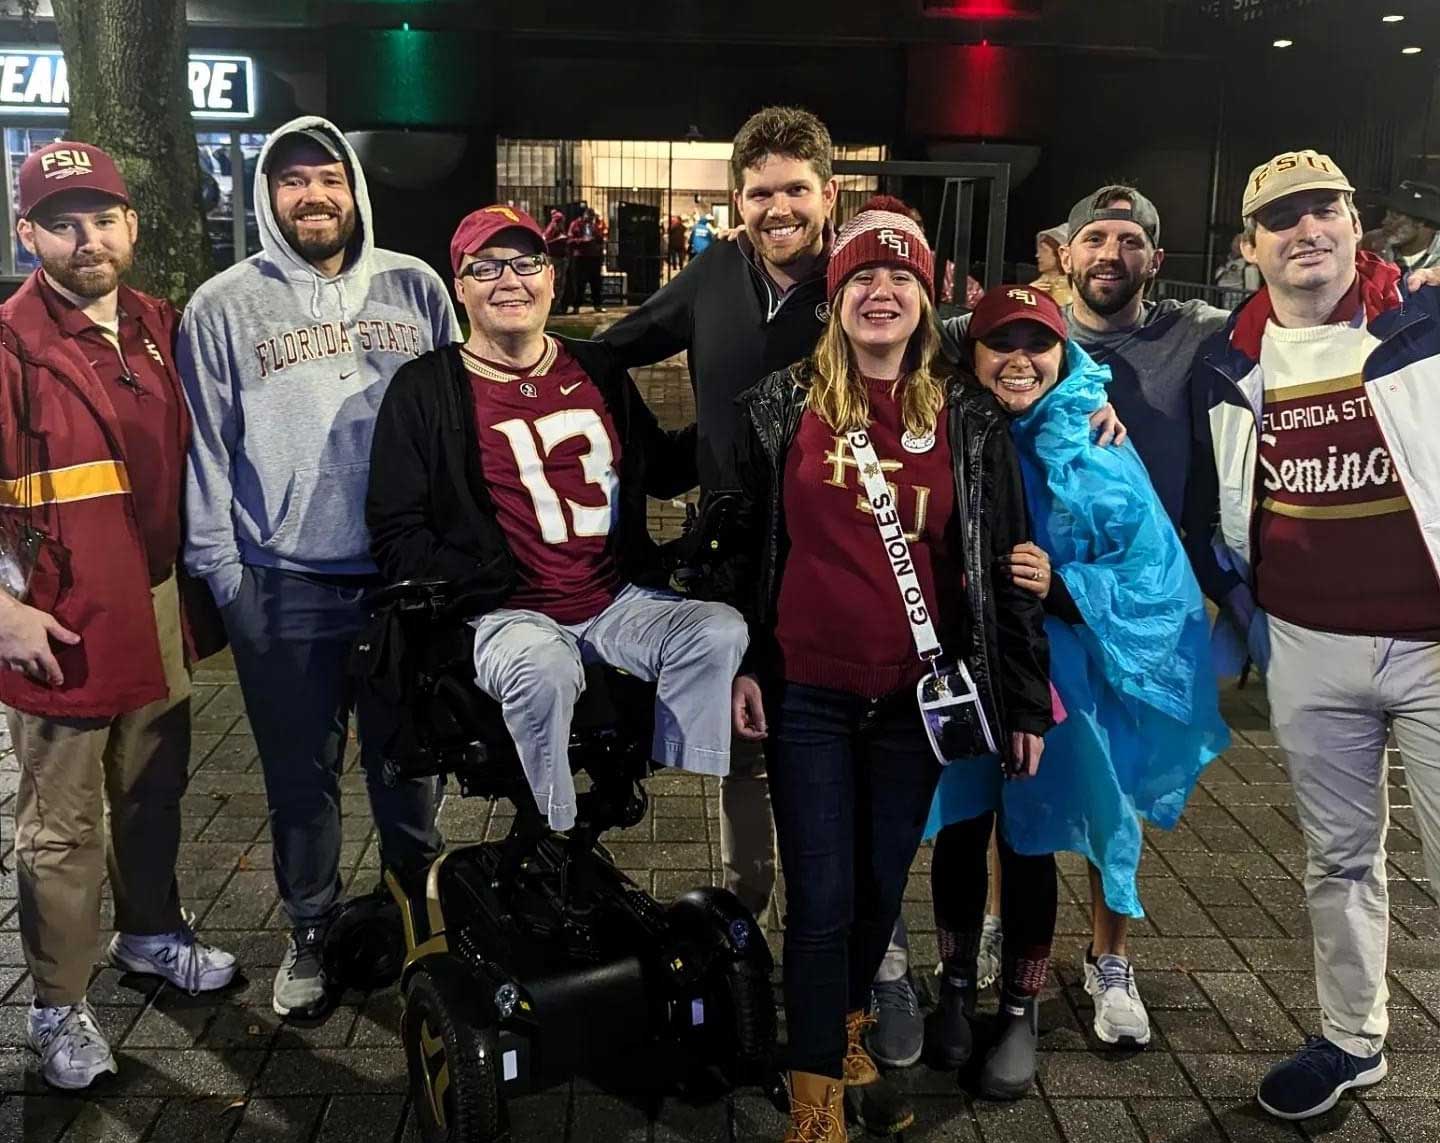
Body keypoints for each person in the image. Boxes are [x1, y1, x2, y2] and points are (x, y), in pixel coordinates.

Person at [721, 204, 1053, 1141]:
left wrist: (1024, 698)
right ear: (835, 296)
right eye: (863, 275)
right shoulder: (780, 405)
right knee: (821, 899)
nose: (882, 290)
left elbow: (1004, 567)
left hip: (916, 700)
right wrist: (741, 659)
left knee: (877, 890)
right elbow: (742, 549)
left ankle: (842, 1036)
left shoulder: (969, 419)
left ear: (926, 296)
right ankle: (815, 1102)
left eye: (901, 276)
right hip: (807, 693)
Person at [178, 116, 460, 1022]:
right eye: (292, 179)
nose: (313, 195)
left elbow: (457, 420)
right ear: (268, 194)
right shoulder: (223, 306)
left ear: (355, 188)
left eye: (329, 177)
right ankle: (311, 929)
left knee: (409, 766)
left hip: (400, 581)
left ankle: (419, 920)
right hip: (283, 581)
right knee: (301, 782)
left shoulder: (416, 288)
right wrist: (225, 575)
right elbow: (205, 449)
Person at [936, 183, 1227, 1048]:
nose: (1021, 356)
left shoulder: (1101, 434)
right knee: (994, 810)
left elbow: (1151, 569)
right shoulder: (955, 420)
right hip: (985, 658)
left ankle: (1110, 958)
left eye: (1129, 239)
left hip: (1084, 663)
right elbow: (912, 333)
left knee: (1104, 805)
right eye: (1094, 236)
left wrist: (1064, 589)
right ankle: (994, 937)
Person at [1184, 149, 1440, 1122]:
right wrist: (1241, 603)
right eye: (1281, 218)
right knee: (1338, 858)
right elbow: (1214, 501)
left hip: (1432, 645)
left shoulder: (1423, 321)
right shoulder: (1228, 360)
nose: (1306, 230)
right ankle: (1352, 1038)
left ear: (1354, 222)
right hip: (1308, 646)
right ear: (1250, 246)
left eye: (1323, 209)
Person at [367, 203, 747, 834]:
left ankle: (653, 774)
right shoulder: (425, 388)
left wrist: (736, 419)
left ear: (551, 277)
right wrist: (475, 579)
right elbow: (395, 530)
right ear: (459, 287)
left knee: (719, 632)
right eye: (486, 267)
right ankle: (555, 818)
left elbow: (659, 468)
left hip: (613, 599)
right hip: (506, 611)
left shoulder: (595, 367)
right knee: (544, 668)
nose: (509, 281)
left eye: (526, 263)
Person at [0, 141, 237, 1089]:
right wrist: (3, 612)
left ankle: (148, 933)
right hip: (54, 621)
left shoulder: (157, 324)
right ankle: (56, 1005)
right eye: (62, 224)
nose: (86, 240)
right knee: (61, 827)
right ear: (27, 233)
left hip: (155, 601)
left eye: (102, 219)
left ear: (132, 225)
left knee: (152, 786)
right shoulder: (8, 344)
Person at [1378, 179, 1440, 272]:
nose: (1384, 222)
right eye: (1387, 215)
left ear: (1420, 221)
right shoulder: (1373, 244)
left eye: (1395, 216)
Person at [566, 205, 605, 313]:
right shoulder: (575, 224)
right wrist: (582, 241)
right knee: (579, 283)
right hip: (581, 257)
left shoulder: (595, 225)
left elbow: (601, 239)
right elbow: (570, 240)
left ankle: (597, 304)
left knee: (596, 282)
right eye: (589, 216)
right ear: (584, 215)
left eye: (592, 217)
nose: (591, 219)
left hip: (594, 257)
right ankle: (576, 306)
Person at [1029, 224, 1073, 306]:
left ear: (1060, 254)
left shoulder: (1075, 290)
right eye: (1038, 250)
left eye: (1044, 250)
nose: (1037, 255)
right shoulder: (1034, 287)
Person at [1214, 231, 1263, 305]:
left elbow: (1251, 290)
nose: (1238, 244)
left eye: (1242, 242)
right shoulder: (1226, 261)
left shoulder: (1249, 266)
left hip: (1238, 304)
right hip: (1224, 301)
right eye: (1237, 240)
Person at [543, 207, 571, 309]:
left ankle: (556, 305)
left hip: (560, 257)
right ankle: (553, 306)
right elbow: (545, 241)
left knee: (560, 283)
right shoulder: (552, 228)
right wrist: (559, 239)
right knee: (556, 283)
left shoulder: (559, 229)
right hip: (555, 258)